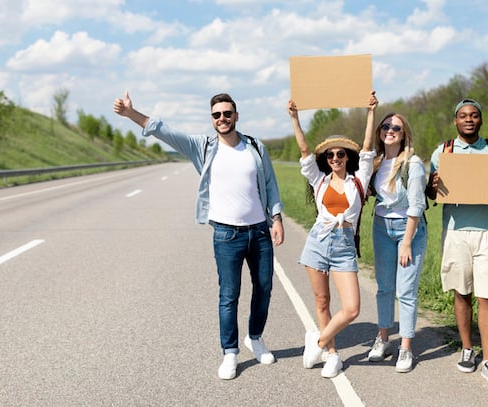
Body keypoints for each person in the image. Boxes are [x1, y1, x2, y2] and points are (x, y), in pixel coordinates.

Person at [113, 91, 285, 380]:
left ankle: (255, 338)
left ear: (236, 116)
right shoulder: (202, 146)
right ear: (212, 119)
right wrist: (132, 113)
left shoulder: (255, 146)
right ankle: (230, 353)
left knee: (264, 287)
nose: (222, 119)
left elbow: (270, 182)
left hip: (259, 232)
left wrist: (276, 216)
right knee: (229, 295)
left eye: (227, 113)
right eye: (216, 115)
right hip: (226, 235)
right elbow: (164, 130)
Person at [426, 98, 488, 388]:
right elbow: (430, 194)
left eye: (474, 115)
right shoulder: (443, 151)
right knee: (462, 294)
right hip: (456, 232)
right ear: (455, 121)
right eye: (463, 116)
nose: (469, 119)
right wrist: (432, 185)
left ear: (481, 120)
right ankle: (468, 348)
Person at [287, 98, 374, 378]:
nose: (335, 158)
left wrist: (371, 112)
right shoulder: (319, 180)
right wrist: (294, 119)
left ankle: (319, 341)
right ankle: (332, 355)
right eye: (330, 156)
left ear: (348, 157)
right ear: (326, 160)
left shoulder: (359, 180)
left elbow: (369, 148)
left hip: (344, 245)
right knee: (322, 301)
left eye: (340, 154)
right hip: (318, 242)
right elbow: (303, 150)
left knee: (351, 308)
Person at [363, 93, 428, 373]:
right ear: (380, 133)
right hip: (380, 228)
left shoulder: (412, 164)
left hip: (408, 231)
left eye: (396, 128)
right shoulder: (376, 163)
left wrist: (407, 243)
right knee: (384, 288)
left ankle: (405, 348)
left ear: (404, 135)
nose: (390, 131)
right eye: (386, 127)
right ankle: (383, 338)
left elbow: (416, 205)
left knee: (406, 290)